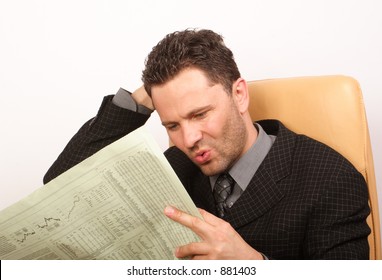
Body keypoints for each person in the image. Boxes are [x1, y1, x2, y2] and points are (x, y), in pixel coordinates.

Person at [43, 29, 371, 259]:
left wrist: (254, 266)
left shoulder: (331, 179)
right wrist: (148, 97)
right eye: (172, 124)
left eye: (199, 114)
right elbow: (61, 186)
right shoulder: (176, 165)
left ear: (239, 95)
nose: (187, 140)